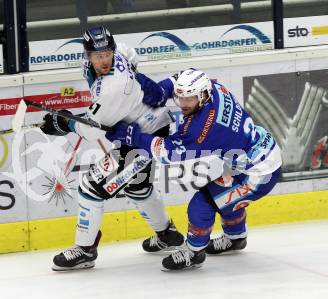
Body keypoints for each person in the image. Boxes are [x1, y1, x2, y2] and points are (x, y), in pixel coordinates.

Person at [106, 68, 282, 271]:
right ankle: (236, 238)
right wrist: (162, 89)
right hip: (257, 154)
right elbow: (182, 76)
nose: (183, 104)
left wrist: (132, 136)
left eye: (189, 98)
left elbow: (166, 153)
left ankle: (194, 253)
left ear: (203, 95)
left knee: (202, 204)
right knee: (224, 197)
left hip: (259, 174)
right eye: (180, 97)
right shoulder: (215, 88)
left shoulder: (203, 130)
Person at [39, 26, 184, 271]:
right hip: (150, 125)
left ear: (112, 51)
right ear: (87, 55)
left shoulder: (111, 87)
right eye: (98, 56)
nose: (104, 60)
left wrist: (64, 123)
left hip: (143, 137)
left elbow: (93, 129)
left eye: (107, 54)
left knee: (90, 188)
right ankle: (167, 235)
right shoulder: (119, 55)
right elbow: (131, 56)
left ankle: (85, 250)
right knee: (138, 187)